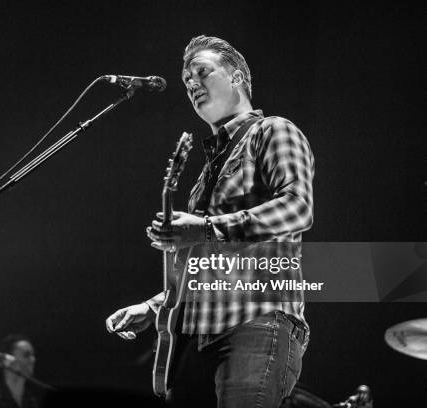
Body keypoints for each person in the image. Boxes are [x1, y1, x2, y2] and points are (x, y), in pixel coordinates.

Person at [106, 35, 314, 407]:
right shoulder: (205, 175)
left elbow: (297, 208)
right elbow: (207, 265)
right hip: (196, 337)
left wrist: (203, 228)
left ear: (236, 77)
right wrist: (154, 306)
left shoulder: (274, 131)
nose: (193, 85)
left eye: (202, 72)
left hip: (256, 321)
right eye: (187, 82)